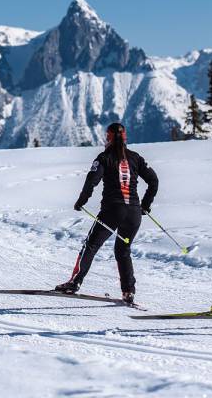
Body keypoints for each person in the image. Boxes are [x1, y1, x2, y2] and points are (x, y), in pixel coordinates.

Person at [55, 122, 159, 304]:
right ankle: (128, 292)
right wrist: (145, 205)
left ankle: (74, 282)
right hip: (133, 213)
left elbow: (91, 182)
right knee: (123, 250)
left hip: (113, 210)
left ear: (108, 138)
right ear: (125, 138)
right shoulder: (136, 158)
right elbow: (154, 181)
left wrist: (81, 201)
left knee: (91, 245)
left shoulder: (104, 158)